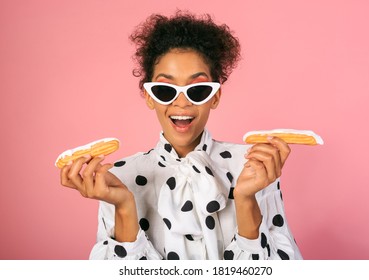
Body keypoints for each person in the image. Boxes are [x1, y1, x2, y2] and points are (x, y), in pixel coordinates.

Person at [60, 11, 303, 260]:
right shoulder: (120, 177)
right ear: (149, 97)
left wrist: (245, 199)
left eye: (197, 89)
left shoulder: (255, 166)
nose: (182, 102)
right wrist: (123, 206)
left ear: (215, 96)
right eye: (165, 90)